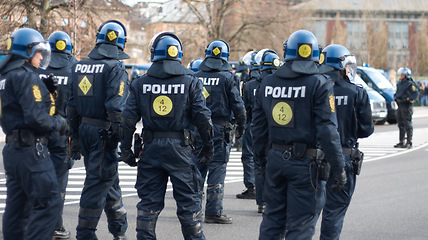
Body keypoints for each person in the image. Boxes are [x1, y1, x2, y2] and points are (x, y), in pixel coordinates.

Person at [119, 31, 213, 240]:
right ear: (178, 53)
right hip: (181, 150)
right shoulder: (191, 82)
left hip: (150, 149)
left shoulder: (139, 84)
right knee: (189, 206)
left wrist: (125, 149)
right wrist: (208, 146)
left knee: (148, 206)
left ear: (154, 54)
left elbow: (127, 120)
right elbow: (202, 118)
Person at [253, 30, 346, 239]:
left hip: (275, 160)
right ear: (314, 54)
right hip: (307, 165)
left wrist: (260, 160)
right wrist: (338, 167)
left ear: (288, 52)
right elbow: (328, 130)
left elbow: (257, 128)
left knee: (272, 220)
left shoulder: (267, 83)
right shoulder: (319, 83)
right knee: (300, 225)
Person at [0, 28, 68, 240]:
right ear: (27, 51)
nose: (41, 57)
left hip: (12, 149)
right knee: (50, 203)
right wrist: (59, 122)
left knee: (17, 208)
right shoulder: (26, 77)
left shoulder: (5, 76)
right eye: (38, 52)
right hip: (31, 150)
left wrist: (45, 91)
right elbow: (37, 118)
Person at [68, 20, 130, 240]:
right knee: (97, 182)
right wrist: (121, 137)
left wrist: (74, 137)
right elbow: (116, 107)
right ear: (121, 43)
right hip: (104, 132)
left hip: (84, 129)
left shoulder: (78, 66)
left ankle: (119, 230)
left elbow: (72, 105)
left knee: (108, 178)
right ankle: (85, 233)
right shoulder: (115, 67)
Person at [319, 44, 374, 240]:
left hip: (313, 157)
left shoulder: (315, 87)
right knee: (334, 211)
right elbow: (366, 129)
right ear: (342, 65)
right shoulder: (356, 92)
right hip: (344, 156)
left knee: (306, 213)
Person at [193, 39, 246, 224]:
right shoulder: (229, 77)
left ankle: (192, 209)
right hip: (220, 128)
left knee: (197, 167)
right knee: (217, 167)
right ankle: (214, 211)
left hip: (197, 128)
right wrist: (241, 125)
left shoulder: (195, 76)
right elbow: (238, 105)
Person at [36, 30, 78, 239]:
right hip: (65, 134)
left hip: (40, 131)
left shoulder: (39, 68)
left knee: (38, 178)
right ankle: (56, 225)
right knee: (59, 182)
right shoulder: (76, 69)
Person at [245, 49, 280, 214]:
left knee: (259, 166)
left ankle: (261, 202)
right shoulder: (280, 84)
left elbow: (246, 111)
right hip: (277, 132)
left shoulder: (250, 85)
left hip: (256, 129)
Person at [235, 50, 259, 200]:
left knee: (249, 156)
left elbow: (245, 108)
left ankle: (251, 186)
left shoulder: (249, 85)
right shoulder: (271, 83)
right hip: (270, 127)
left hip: (253, 124)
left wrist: (241, 126)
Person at [393, 67, 419, 148]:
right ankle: (401, 141)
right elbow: (397, 92)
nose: (401, 76)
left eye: (403, 75)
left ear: (406, 75)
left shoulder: (410, 84)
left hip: (406, 106)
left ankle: (409, 141)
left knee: (407, 123)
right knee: (400, 124)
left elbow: (415, 94)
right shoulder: (400, 83)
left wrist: (408, 99)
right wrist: (396, 98)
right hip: (400, 105)